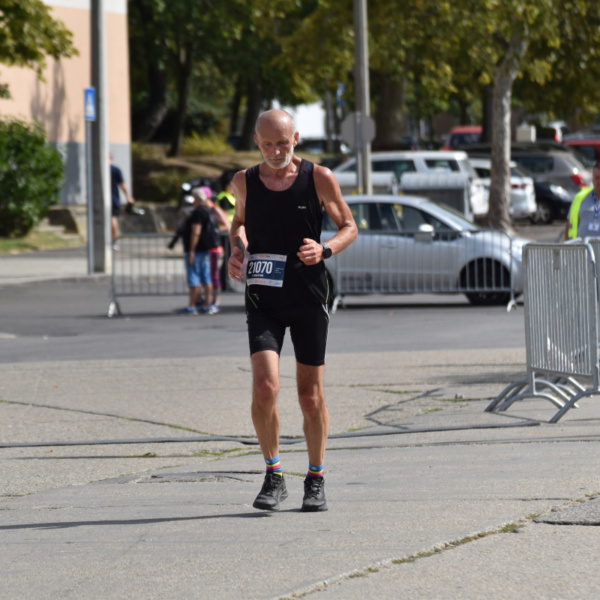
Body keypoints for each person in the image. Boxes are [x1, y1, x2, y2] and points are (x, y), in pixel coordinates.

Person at [228, 109, 358, 512]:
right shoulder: (244, 181)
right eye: (267, 144)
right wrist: (237, 249)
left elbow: (350, 225)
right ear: (256, 142)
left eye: (282, 143)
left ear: (296, 139)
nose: (275, 151)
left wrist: (326, 249)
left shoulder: (319, 177)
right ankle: (274, 474)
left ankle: (315, 478)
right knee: (265, 387)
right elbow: (238, 222)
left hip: (307, 296)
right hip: (263, 297)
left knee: (310, 396)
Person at [177, 187, 215, 315]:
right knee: (206, 277)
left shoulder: (198, 212)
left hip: (196, 250)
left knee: (194, 278)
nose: (193, 201)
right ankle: (207, 305)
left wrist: (192, 251)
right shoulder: (207, 210)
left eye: (194, 198)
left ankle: (192, 306)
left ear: (197, 199)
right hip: (204, 249)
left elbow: (196, 232)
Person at [197, 186, 230, 314]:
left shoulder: (215, 209)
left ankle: (215, 301)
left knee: (214, 275)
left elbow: (227, 226)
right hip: (204, 247)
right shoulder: (202, 210)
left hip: (214, 247)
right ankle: (204, 300)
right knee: (203, 275)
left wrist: (212, 230)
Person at [565, 159, 600, 239]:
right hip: (581, 247)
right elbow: (569, 226)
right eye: (597, 178)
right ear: (592, 179)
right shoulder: (580, 197)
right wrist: (567, 245)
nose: (599, 181)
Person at [110, 154, 134, 249]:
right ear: (111, 158)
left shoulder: (99, 169)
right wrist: (128, 197)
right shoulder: (115, 170)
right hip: (113, 199)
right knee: (113, 219)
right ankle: (114, 240)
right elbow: (122, 185)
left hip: (98, 200)